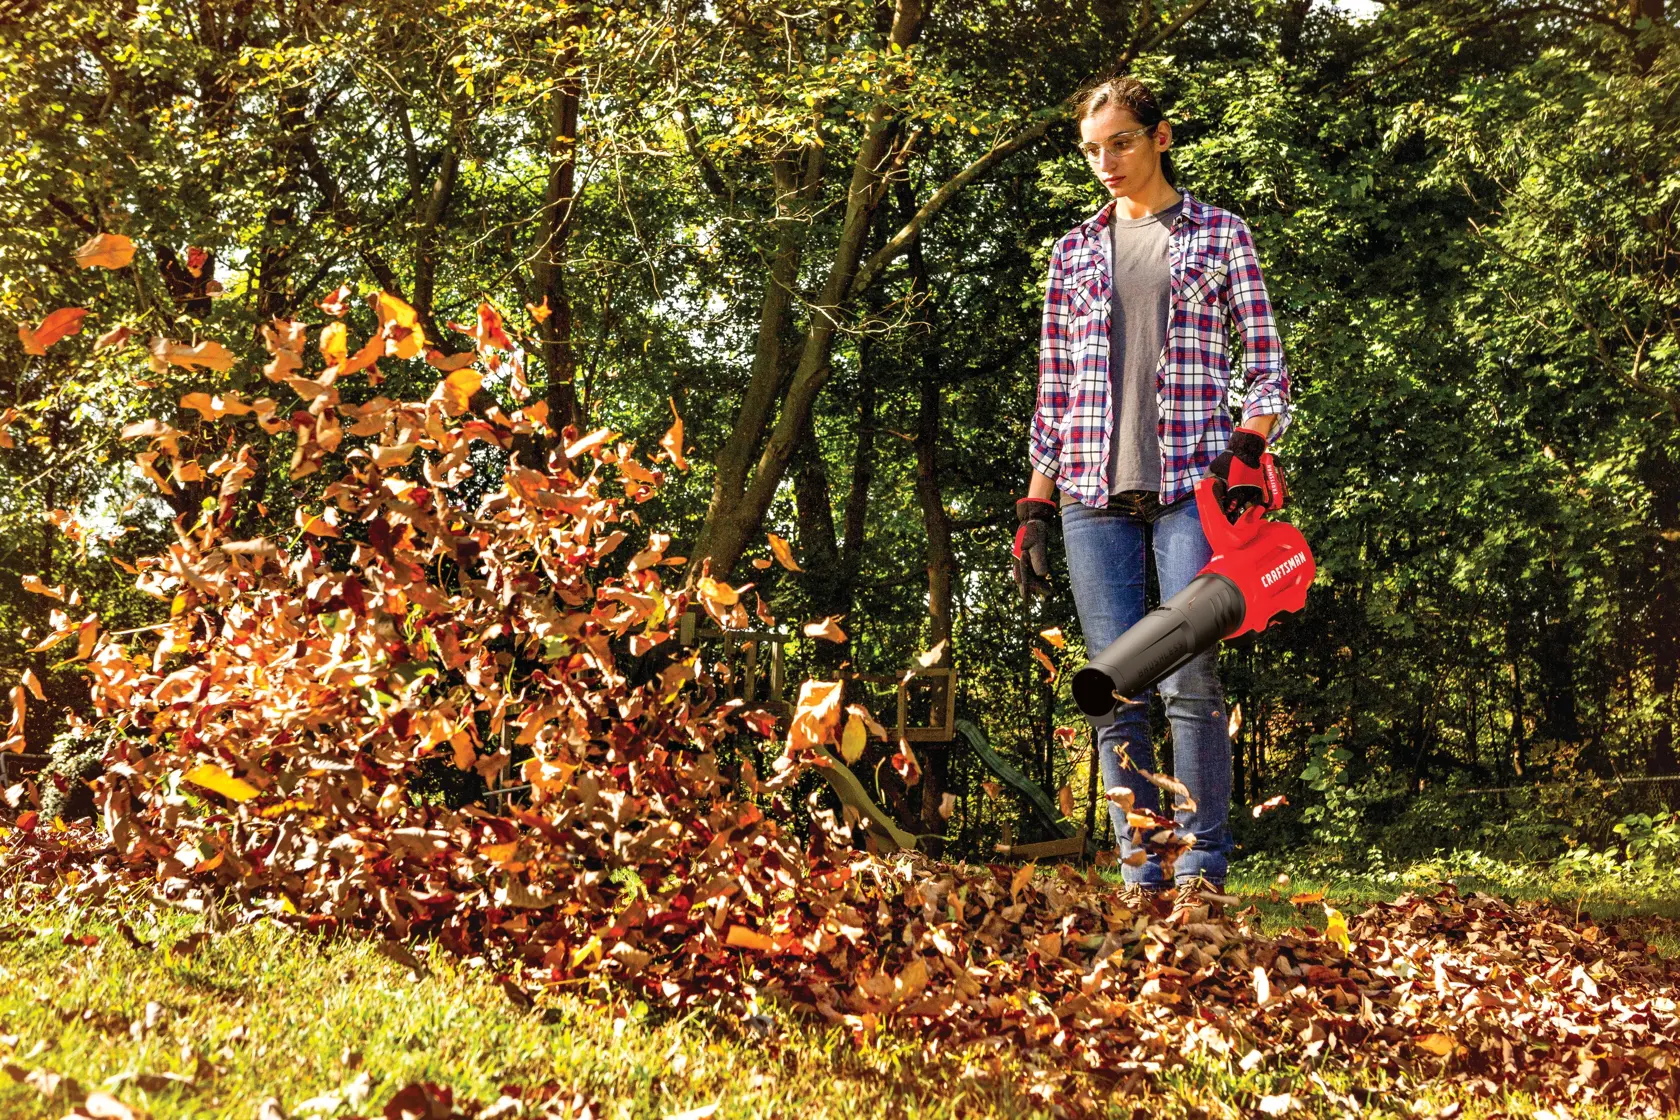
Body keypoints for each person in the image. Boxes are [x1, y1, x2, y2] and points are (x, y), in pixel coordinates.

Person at [1012, 75, 1290, 893]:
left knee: (1190, 682)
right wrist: (1036, 501)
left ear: (1161, 137)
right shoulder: (1071, 254)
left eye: (1122, 142)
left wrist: (1248, 447)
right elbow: (1054, 395)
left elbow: (1267, 368)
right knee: (1111, 689)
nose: (1107, 161)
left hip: (1189, 494)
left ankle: (1202, 865)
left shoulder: (1222, 236)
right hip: (1091, 500)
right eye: (1092, 149)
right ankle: (1142, 871)